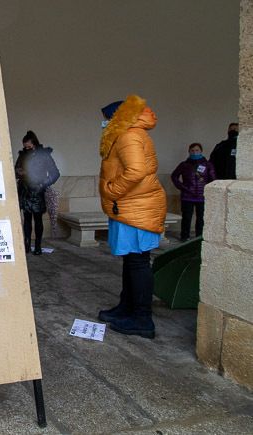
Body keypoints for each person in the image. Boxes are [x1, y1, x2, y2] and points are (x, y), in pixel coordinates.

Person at [97, 95, 167, 339]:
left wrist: (112, 190)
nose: (104, 123)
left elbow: (136, 171)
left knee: (138, 262)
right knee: (131, 260)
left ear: (117, 117)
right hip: (130, 207)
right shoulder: (127, 134)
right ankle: (126, 307)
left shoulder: (128, 135)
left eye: (107, 119)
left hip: (136, 207)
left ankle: (142, 318)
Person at [14, 130, 60, 255]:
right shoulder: (22, 155)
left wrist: (43, 184)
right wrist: (19, 172)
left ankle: (38, 246)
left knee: (38, 219)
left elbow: (55, 173)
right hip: (25, 190)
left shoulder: (44, 155)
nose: (27, 149)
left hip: (38, 190)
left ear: (35, 144)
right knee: (27, 219)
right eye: (25, 147)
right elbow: (16, 169)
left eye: (29, 147)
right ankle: (27, 245)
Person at [171, 143, 217, 241]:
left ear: (201, 151)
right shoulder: (184, 165)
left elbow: (213, 180)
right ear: (189, 151)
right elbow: (174, 176)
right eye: (192, 150)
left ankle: (199, 238)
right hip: (187, 196)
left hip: (202, 196)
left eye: (197, 150)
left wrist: (207, 189)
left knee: (201, 218)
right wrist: (182, 187)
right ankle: (184, 237)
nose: (195, 152)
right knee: (186, 217)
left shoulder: (207, 165)